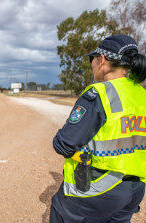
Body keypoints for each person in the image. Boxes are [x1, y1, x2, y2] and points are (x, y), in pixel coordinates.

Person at [49, 34, 146, 222]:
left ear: (101, 60)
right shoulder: (142, 94)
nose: (92, 64)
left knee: (60, 211)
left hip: (100, 186)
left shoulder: (100, 93)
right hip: (135, 189)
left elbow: (63, 144)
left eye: (91, 59)